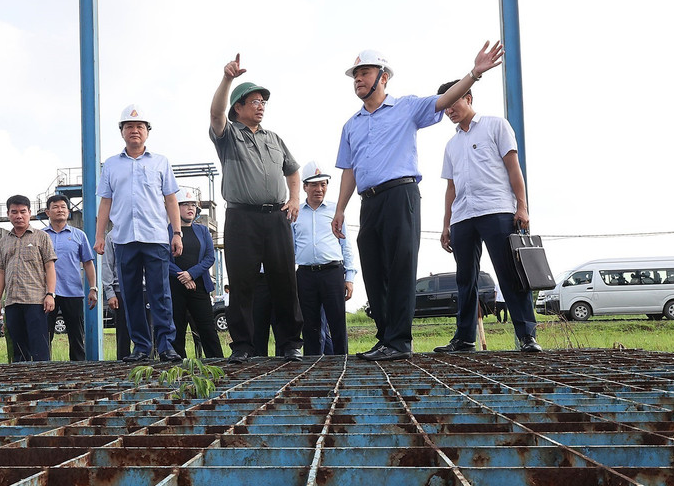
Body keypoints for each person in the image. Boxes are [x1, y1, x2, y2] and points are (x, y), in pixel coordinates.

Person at [332, 43, 504, 361]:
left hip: (401, 195)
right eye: (355, 75)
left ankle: (400, 341)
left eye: (364, 73)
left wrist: (474, 74)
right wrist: (340, 208)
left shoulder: (406, 107)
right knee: (373, 269)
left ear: (383, 77)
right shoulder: (351, 125)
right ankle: (385, 337)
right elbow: (349, 170)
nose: (358, 79)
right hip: (368, 202)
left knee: (400, 266)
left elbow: (445, 100)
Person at [434, 78, 541, 353]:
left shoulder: (496, 125)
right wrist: (446, 224)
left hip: (496, 210)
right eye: (445, 107)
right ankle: (464, 338)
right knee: (464, 278)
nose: (449, 110)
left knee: (510, 274)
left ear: (468, 98)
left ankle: (527, 336)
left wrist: (522, 206)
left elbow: (514, 168)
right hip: (462, 216)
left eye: (453, 103)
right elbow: (451, 187)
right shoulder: (451, 145)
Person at [210, 53, 304, 364]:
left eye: (263, 101)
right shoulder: (229, 136)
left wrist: (294, 199)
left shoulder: (274, 138)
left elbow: (292, 170)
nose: (261, 105)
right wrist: (228, 79)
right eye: (254, 101)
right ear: (238, 107)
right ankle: (243, 345)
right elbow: (215, 114)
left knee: (285, 280)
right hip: (241, 218)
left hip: (276, 217)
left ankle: (290, 343)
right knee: (241, 282)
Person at [94, 104, 183, 363]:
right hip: (123, 239)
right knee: (130, 294)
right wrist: (100, 236)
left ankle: (166, 346)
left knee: (160, 293)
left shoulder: (160, 162)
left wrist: (177, 232)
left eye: (140, 126)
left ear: (147, 131)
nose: (135, 130)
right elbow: (105, 202)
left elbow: (171, 199)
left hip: (155, 237)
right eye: (129, 126)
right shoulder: (111, 165)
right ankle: (142, 347)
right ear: (122, 131)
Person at [292, 162, 356, 355]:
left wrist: (349, 277)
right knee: (309, 326)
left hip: (332, 273)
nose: (319, 189)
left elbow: (346, 245)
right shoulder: (296, 213)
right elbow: (291, 248)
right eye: (314, 185)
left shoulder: (336, 211)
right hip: (305, 275)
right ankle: (312, 365)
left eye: (323, 184)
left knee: (337, 324)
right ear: (305, 186)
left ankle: (342, 363)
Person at [0, 195, 57, 362]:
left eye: (23, 211)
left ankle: (42, 377)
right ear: (8, 214)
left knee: (39, 348)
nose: (19, 216)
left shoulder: (41, 237)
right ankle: (21, 377)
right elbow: (0, 271)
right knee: (18, 349)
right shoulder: (3, 242)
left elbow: (50, 267)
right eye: (14, 212)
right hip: (12, 302)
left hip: (36, 301)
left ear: (29, 213)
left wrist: (50, 294)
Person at [168, 188, 224, 359]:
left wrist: (191, 274)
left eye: (193, 205)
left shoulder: (202, 231)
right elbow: (163, 259)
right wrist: (183, 277)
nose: (190, 208)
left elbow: (209, 257)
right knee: (176, 330)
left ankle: (217, 363)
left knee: (207, 329)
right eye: (185, 204)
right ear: (175, 208)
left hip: (199, 286)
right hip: (175, 287)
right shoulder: (167, 231)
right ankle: (178, 367)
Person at [44, 194, 98, 361]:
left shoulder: (79, 235)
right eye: (55, 207)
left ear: (68, 212)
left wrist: (93, 288)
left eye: (63, 207)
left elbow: (88, 263)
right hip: (46, 294)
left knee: (76, 337)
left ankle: (78, 369)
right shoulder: (40, 235)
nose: (59, 210)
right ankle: (44, 368)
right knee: (45, 336)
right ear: (47, 212)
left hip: (73, 291)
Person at [100, 230, 131, 360]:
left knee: (147, 331)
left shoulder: (145, 231)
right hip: (120, 290)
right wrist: (110, 292)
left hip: (144, 289)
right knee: (123, 333)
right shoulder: (112, 236)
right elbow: (107, 264)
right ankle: (123, 363)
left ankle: (147, 365)